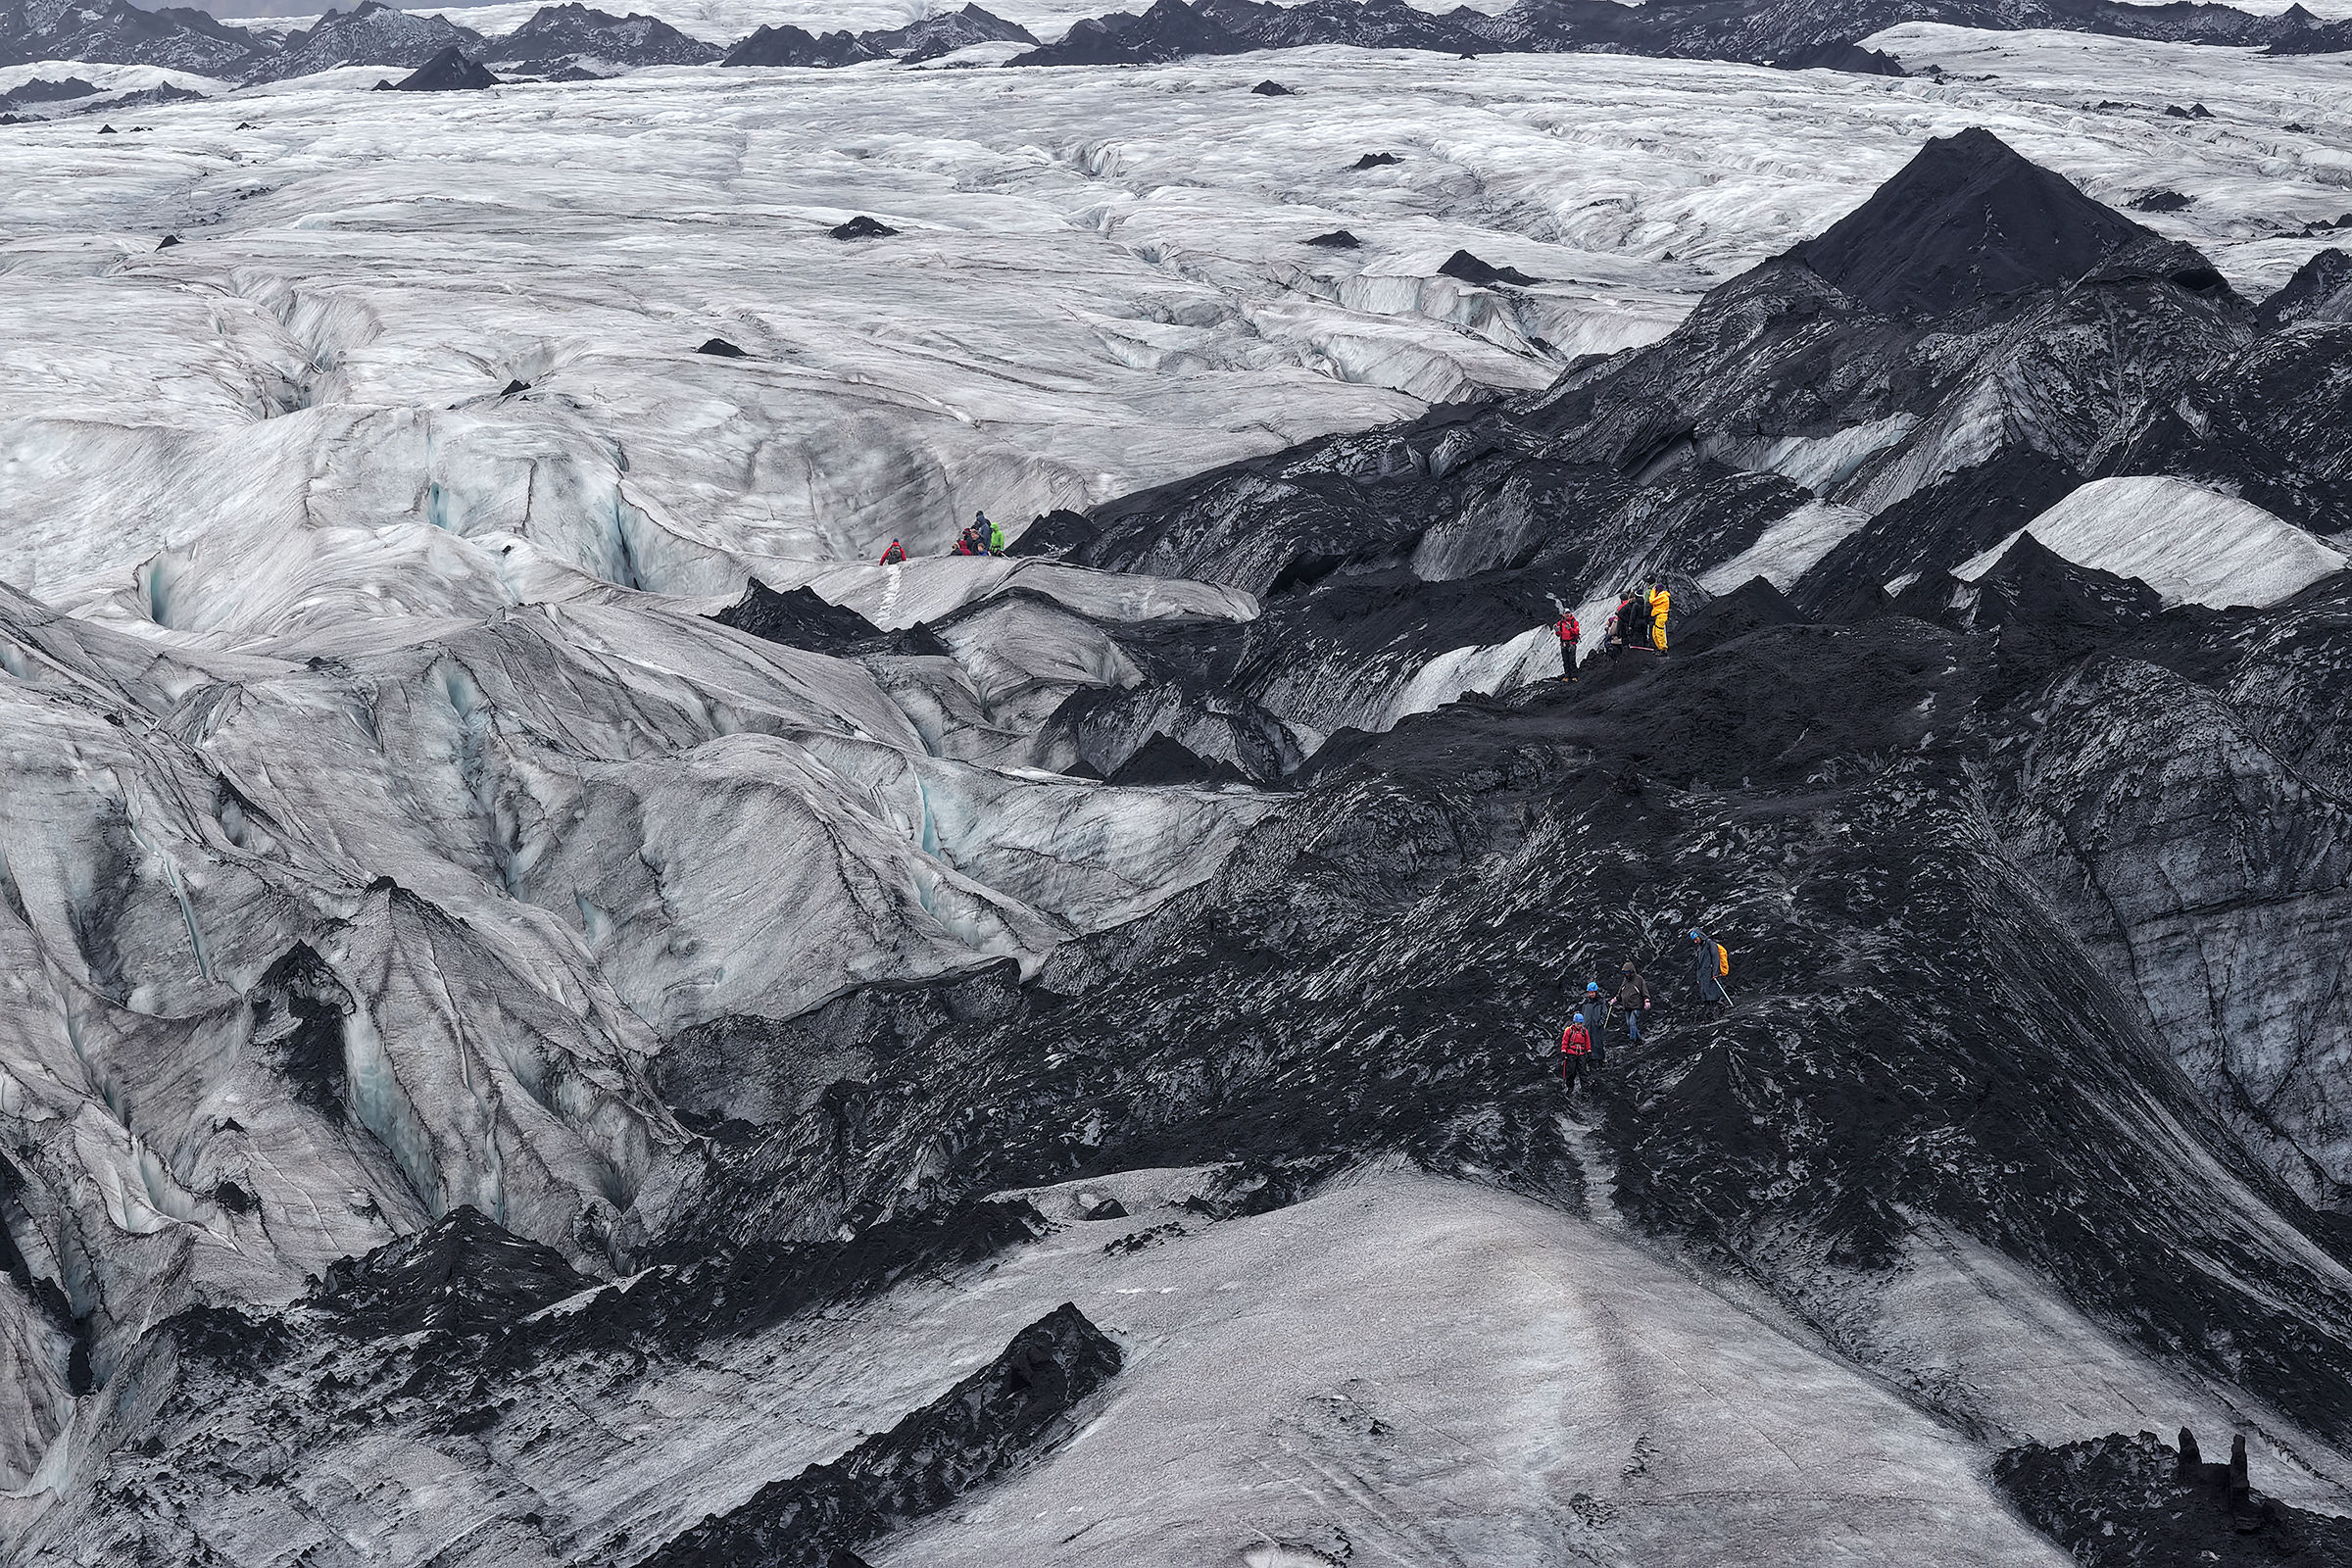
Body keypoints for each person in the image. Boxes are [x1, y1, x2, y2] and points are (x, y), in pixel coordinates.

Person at [1613, 961, 1651, 1048]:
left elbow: (1644, 990)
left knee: (1632, 1022)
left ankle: (1632, 1040)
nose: (1626, 974)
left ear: (1631, 971)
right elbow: (1620, 992)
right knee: (1629, 1023)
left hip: (1636, 1006)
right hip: (1627, 1006)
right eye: (1624, 973)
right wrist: (1615, 999)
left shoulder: (1639, 979)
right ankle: (1639, 1039)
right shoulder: (1625, 980)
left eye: (1627, 972)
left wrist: (1646, 1000)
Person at [1559, 1010, 1594, 1098]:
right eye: (1578, 1024)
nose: (1579, 1025)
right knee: (1571, 1072)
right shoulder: (1569, 1031)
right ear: (1574, 1023)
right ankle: (1570, 1087)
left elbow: (1587, 1042)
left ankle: (1585, 1091)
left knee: (1583, 1072)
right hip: (1571, 1053)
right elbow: (1565, 1042)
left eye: (1581, 1024)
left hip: (1581, 1053)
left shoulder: (1584, 1031)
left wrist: (1589, 1051)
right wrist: (1563, 1052)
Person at [1690, 927, 1727, 1010]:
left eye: (1696, 939)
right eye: (1694, 940)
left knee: (1715, 993)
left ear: (1700, 936)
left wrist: (1715, 972)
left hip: (1711, 975)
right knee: (1707, 996)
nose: (1695, 941)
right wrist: (1698, 977)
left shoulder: (1710, 944)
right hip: (1704, 976)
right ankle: (1711, 1012)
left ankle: (1721, 1009)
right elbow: (1699, 964)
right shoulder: (1700, 948)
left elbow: (1716, 958)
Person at [1555, 609, 1581, 681]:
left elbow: (1576, 632)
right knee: (1565, 661)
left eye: (1568, 613)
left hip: (1571, 643)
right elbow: (1558, 634)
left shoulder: (1574, 622)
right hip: (1563, 644)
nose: (1567, 614)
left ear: (1570, 613)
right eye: (1566, 613)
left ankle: (1574, 676)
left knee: (1572, 660)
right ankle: (1567, 676)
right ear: (1563, 614)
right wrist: (1557, 631)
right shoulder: (1560, 623)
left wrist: (1570, 629)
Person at [1648, 579, 1671, 655]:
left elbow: (1652, 601)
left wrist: (1652, 591)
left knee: (1659, 632)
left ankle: (1663, 649)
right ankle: (1659, 648)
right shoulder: (1661, 596)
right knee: (1655, 633)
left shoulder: (1663, 596)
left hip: (1661, 616)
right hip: (1658, 616)